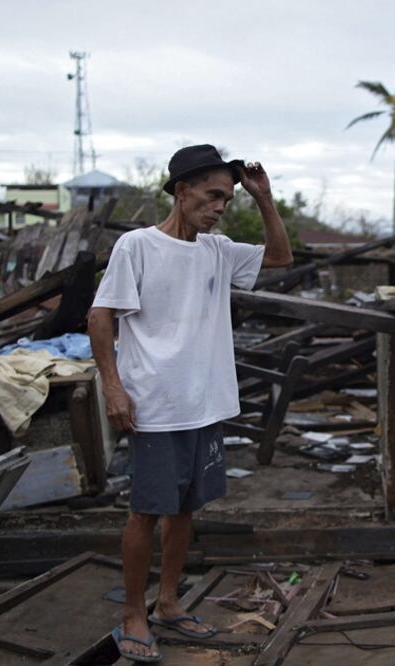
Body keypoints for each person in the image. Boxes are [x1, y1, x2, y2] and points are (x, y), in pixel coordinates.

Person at [88, 144, 292, 662]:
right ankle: (134, 613)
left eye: (227, 197)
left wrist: (264, 198)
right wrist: (113, 387)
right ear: (181, 191)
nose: (221, 206)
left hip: (204, 404)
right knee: (146, 512)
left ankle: (168, 603)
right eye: (213, 195)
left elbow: (279, 256)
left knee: (185, 509)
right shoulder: (138, 246)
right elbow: (101, 316)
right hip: (155, 404)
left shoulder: (217, 251)